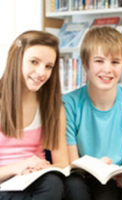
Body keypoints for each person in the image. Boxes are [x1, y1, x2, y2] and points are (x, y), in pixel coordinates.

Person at [63, 26, 122, 200]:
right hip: (81, 178)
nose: (107, 70)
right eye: (99, 61)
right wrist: (96, 167)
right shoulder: (68, 104)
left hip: (118, 181)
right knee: (79, 186)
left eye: (115, 62)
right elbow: (71, 164)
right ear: (85, 63)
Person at [0, 31, 69, 199]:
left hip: (39, 181)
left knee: (54, 182)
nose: (41, 72)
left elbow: (62, 163)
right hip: (5, 182)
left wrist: (42, 168)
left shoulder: (52, 106)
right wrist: (17, 167)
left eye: (48, 66)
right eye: (34, 62)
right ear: (16, 59)